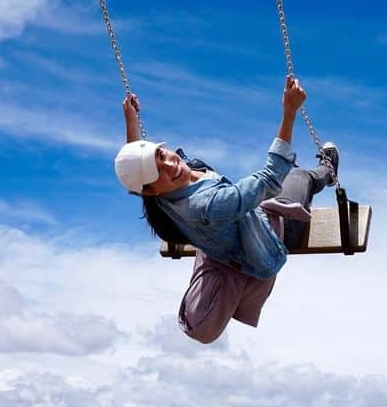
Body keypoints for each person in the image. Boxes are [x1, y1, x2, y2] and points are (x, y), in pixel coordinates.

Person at [113, 76, 338, 345]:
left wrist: (131, 122)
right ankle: (328, 170)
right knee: (299, 177)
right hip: (268, 240)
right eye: (158, 171)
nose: (170, 165)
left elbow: (140, 173)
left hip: (236, 232)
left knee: (271, 176)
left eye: (161, 155)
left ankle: (297, 174)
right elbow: (268, 179)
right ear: (149, 190)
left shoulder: (159, 196)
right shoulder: (205, 206)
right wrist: (289, 112)